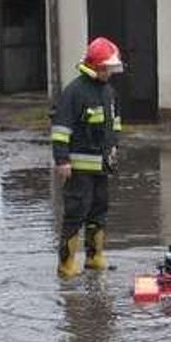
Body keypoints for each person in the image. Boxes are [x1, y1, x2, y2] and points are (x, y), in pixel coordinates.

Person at [50, 36, 123, 277]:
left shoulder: (108, 91)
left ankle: (94, 257)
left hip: (101, 166)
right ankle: (66, 264)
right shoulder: (75, 92)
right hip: (78, 167)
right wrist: (62, 160)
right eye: (107, 68)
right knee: (75, 212)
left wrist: (114, 146)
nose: (111, 72)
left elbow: (114, 123)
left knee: (99, 210)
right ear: (96, 67)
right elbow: (61, 129)